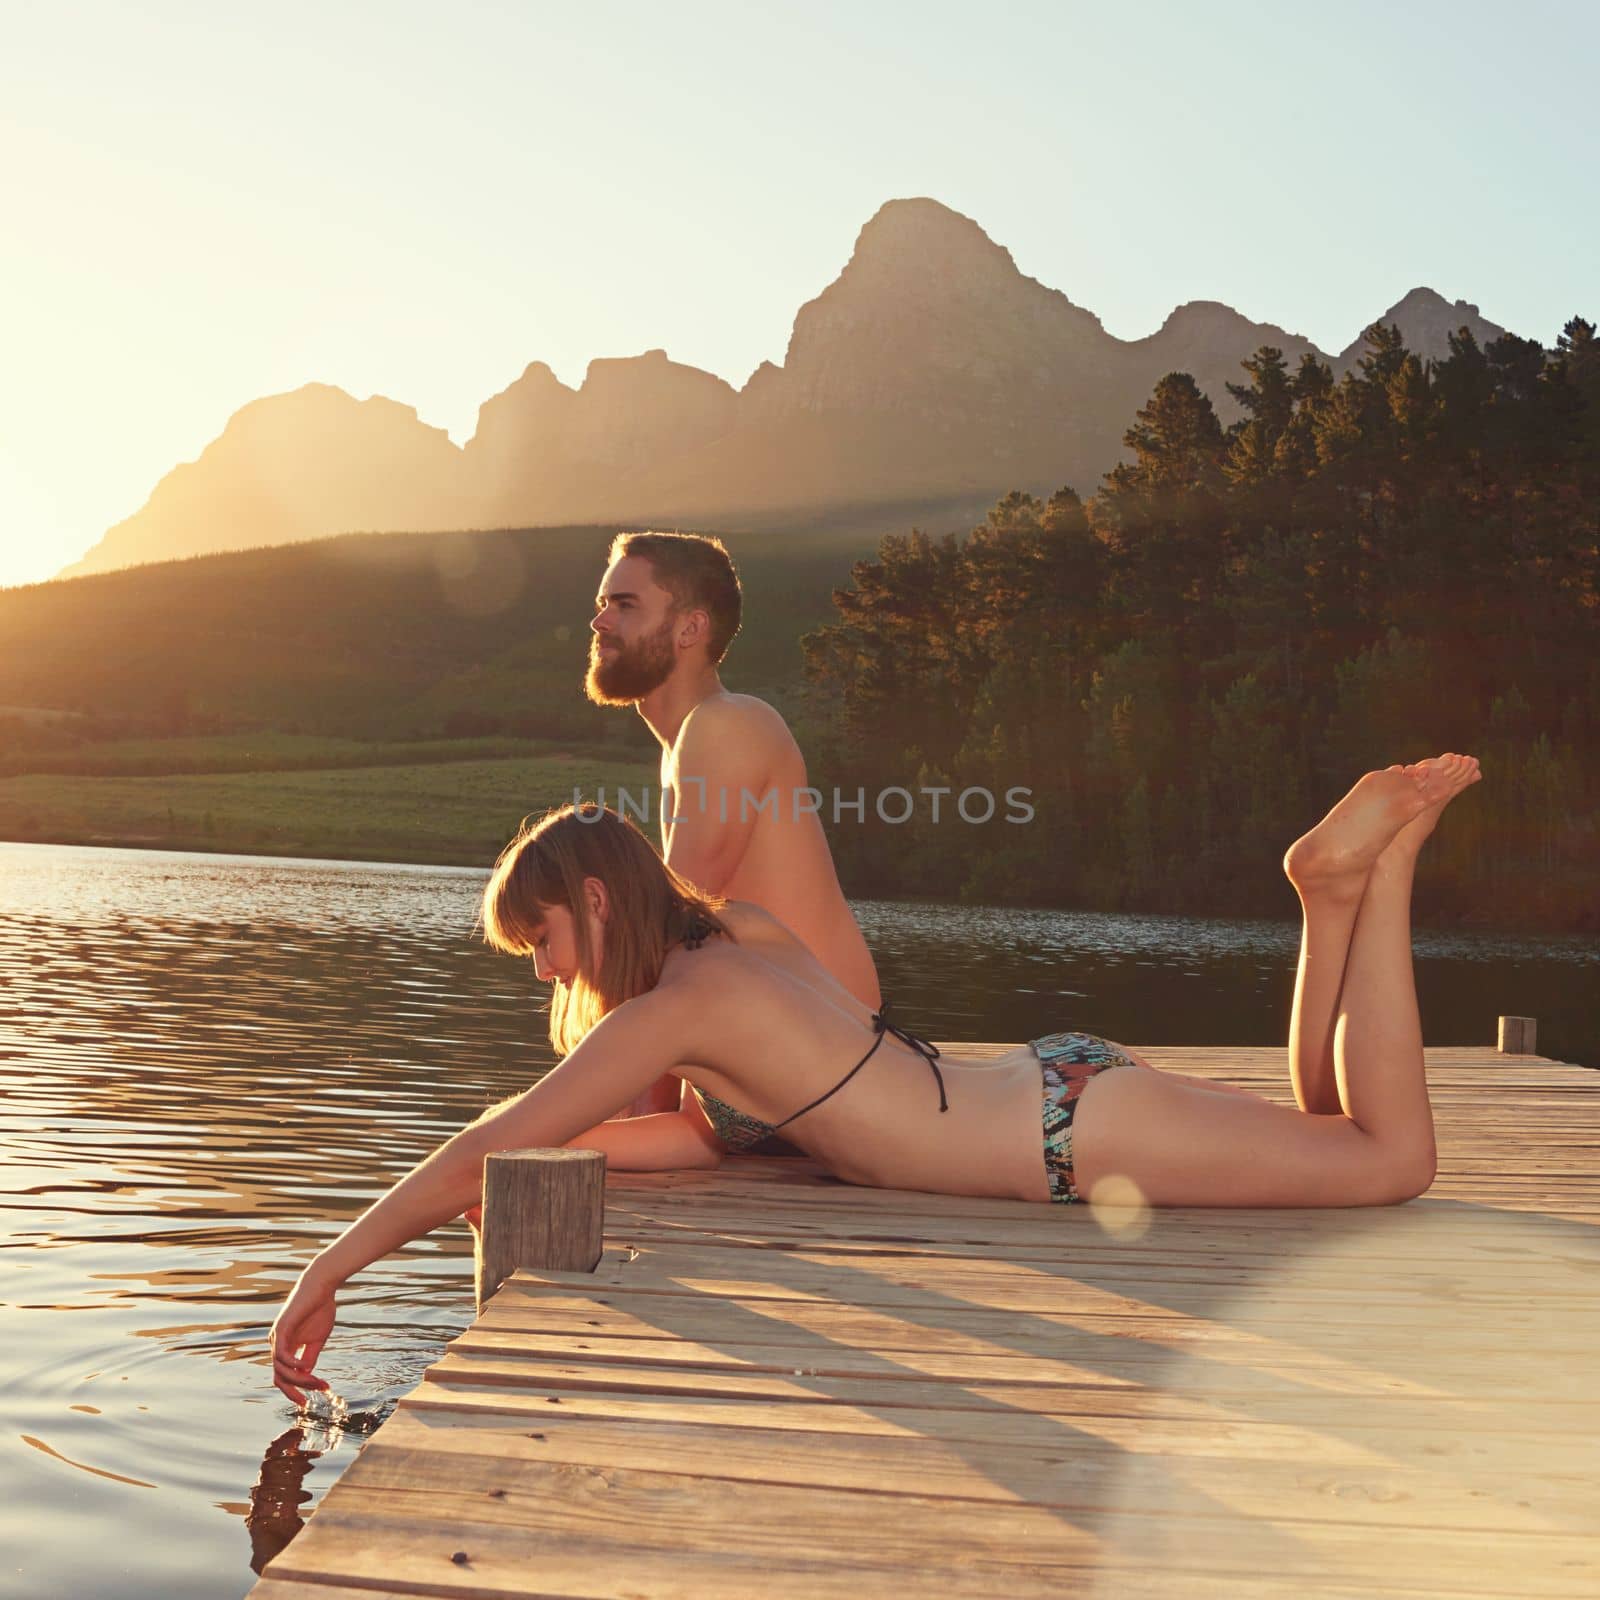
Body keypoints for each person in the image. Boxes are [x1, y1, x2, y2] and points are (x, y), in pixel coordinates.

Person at [269, 753, 1480, 1405]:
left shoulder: (673, 1010)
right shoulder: (735, 937)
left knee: (1387, 1160)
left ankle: (1386, 872)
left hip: (1061, 1141)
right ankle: (1325, 894)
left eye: (540, 942)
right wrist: (543, 1146)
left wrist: (326, 1267)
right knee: (1329, 1133)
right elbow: (744, 1131)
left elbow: (490, 1146)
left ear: (592, 901)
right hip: (1056, 1087)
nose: (540, 973)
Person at [585, 530, 879, 1116]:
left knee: (525, 1147)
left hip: (825, 1064)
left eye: (625, 605)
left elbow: (668, 930)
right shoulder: (687, 743)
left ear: (690, 629)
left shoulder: (726, 725)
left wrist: (623, 1108)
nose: (599, 623)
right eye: (602, 604)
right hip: (785, 1056)